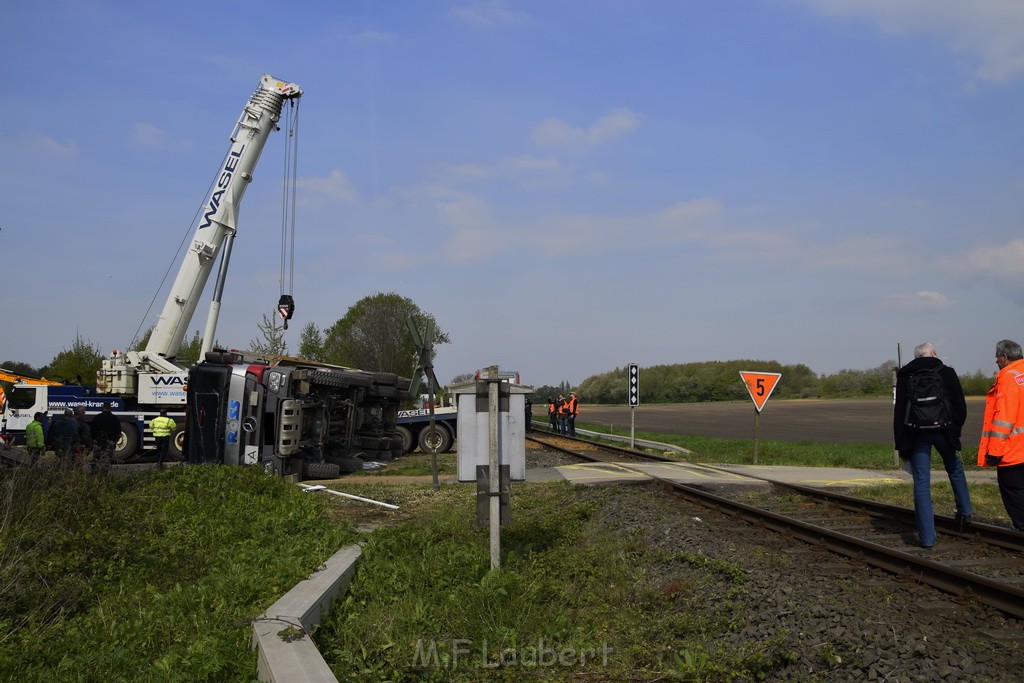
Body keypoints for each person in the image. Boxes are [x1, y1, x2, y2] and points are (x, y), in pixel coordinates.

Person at [893, 342, 972, 549]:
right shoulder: (947, 372)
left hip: (917, 435)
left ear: (916, 357)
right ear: (934, 354)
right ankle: (965, 511)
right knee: (954, 467)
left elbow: (899, 412)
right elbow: (961, 406)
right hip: (944, 432)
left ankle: (927, 538)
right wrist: (954, 429)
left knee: (921, 482)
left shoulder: (904, 375)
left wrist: (901, 445)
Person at [978, 339, 1024, 531]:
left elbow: (1004, 418)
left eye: (997, 358)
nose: (996, 361)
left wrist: (995, 452)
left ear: (1005, 357)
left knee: (1014, 492)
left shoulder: (1007, 378)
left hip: (1013, 450)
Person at [91, 402, 122, 472]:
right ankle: (104, 475)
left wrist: (94, 440)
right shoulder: (115, 419)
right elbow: (118, 432)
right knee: (106, 460)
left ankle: (94, 473)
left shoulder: (97, 418)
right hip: (109, 442)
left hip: (99, 442)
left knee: (96, 458)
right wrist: (114, 441)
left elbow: (92, 431)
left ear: (103, 407)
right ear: (110, 408)